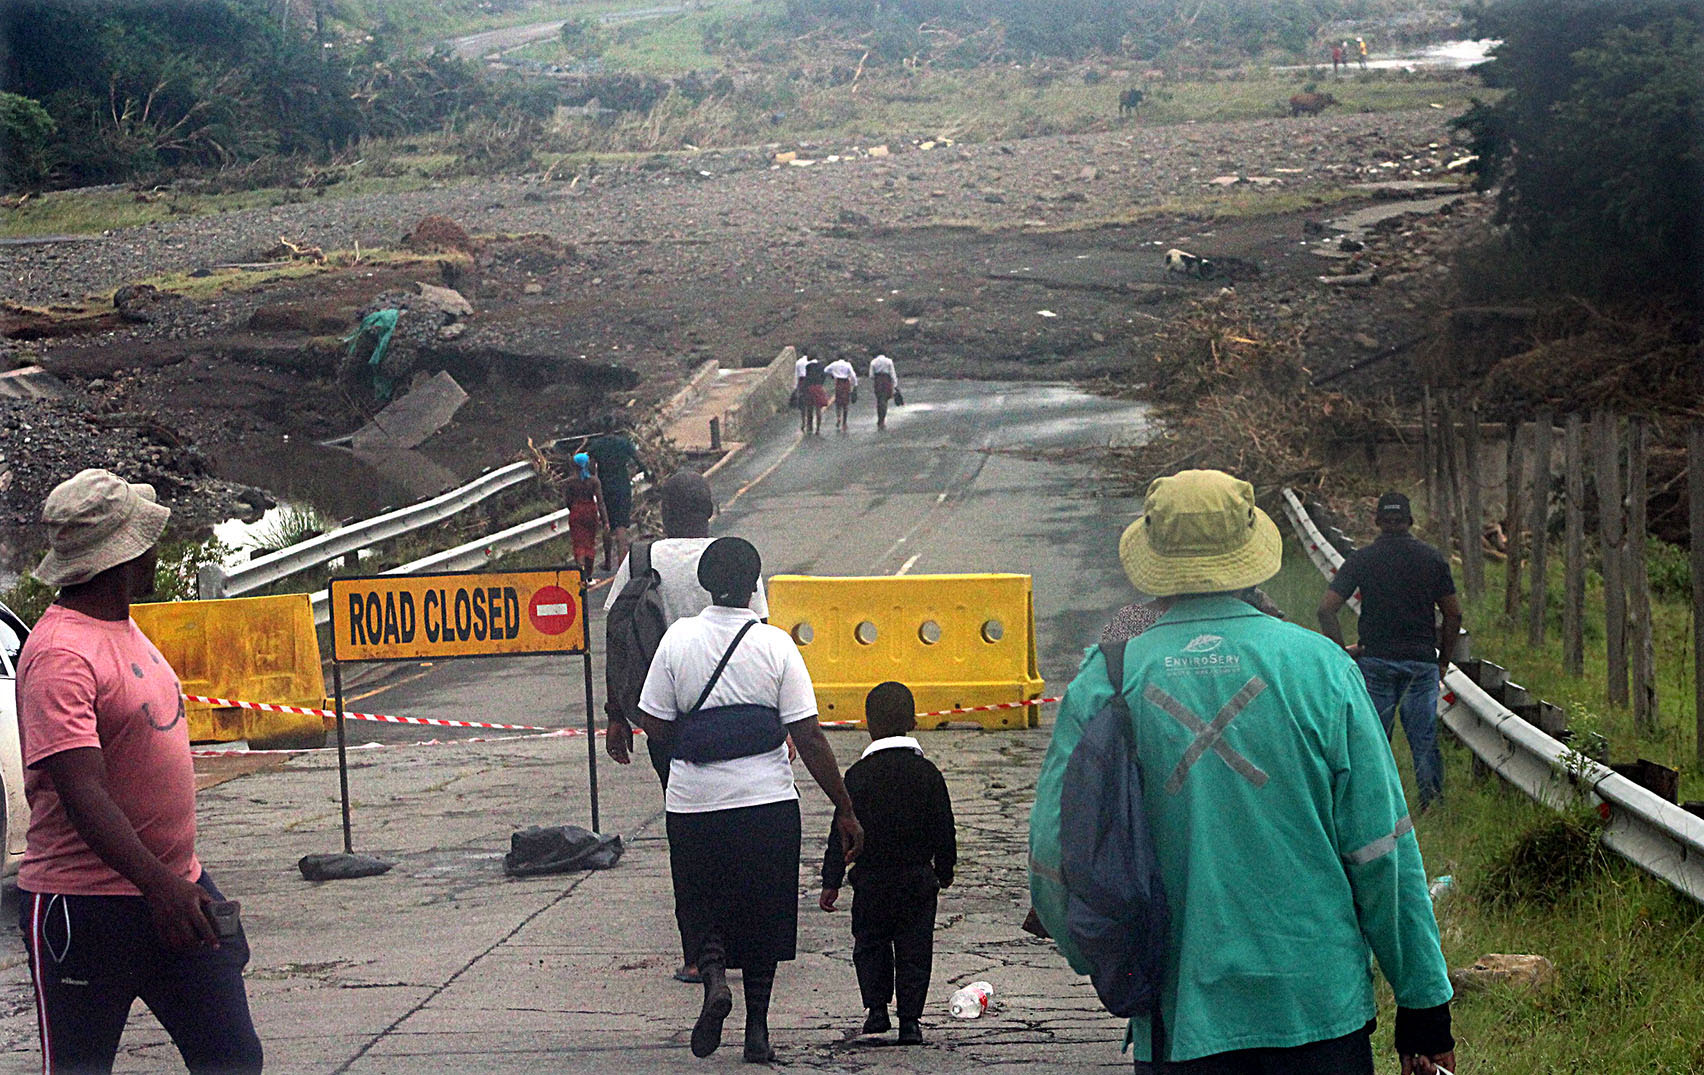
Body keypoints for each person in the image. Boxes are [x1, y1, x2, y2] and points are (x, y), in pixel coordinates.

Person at [1032, 469, 1455, 1075]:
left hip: (1180, 1016)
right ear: (1251, 551)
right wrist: (1423, 1005)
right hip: (1319, 1013)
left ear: (1152, 558)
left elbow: (1053, 854)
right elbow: (1381, 850)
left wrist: (1107, 960)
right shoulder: (1322, 665)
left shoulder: (1111, 671)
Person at [16, 469, 264, 1074]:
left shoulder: (121, 627)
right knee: (80, 1067)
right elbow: (81, 790)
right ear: (123, 557)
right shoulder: (60, 654)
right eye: (145, 538)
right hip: (86, 908)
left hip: (173, 889)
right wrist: (162, 887)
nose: (156, 549)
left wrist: (187, 885)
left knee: (232, 1058)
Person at [635, 538, 864, 1063]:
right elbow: (808, 736)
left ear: (705, 583)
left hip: (694, 804)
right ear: (754, 586)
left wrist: (695, 740)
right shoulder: (776, 645)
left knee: (700, 899)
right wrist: (844, 807)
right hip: (766, 803)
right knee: (764, 910)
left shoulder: (679, 639)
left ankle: (714, 977)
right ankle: (757, 1029)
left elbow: (653, 722)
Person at [602, 471, 770, 985]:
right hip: (735, 716)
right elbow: (759, 635)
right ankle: (744, 944)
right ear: (712, 509)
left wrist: (615, 715)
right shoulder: (735, 559)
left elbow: (617, 637)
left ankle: (699, 954)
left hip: (665, 719)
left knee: (689, 837)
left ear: (665, 514)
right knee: (740, 831)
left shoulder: (640, 559)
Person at [819, 682, 954, 1047]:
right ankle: (910, 1021)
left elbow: (840, 832)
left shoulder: (857, 777)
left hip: (871, 881)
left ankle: (876, 1010)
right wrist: (944, 870)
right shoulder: (928, 775)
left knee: (871, 943)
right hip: (916, 880)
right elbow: (944, 827)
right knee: (914, 949)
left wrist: (831, 880)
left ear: (867, 723)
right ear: (912, 721)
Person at [1317, 491, 1463, 811]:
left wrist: (1342, 652)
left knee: (1373, 743)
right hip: (1421, 664)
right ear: (1411, 521)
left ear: (1378, 521)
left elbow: (1326, 610)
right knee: (1423, 741)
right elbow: (1453, 615)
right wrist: (1443, 663)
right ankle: (1431, 807)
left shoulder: (1362, 559)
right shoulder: (1432, 559)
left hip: (1376, 662)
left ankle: (1373, 807)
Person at [584, 416, 643, 571]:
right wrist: (646, 472)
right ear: (615, 426)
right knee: (621, 525)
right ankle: (622, 561)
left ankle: (608, 561)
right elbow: (638, 460)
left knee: (607, 524)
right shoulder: (624, 443)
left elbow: (590, 469)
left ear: (602, 429)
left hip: (605, 488)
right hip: (622, 486)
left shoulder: (596, 446)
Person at [562, 451, 607, 577]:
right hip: (590, 511)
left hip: (576, 511)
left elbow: (567, 501)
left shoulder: (569, 482)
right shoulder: (594, 481)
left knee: (578, 543)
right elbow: (601, 502)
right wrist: (605, 520)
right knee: (590, 543)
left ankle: (580, 573)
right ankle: (588, 575)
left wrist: (574, 509)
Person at [824, 356, 858, 432]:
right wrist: (855, 385)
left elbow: (825, 370)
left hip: (838, 382)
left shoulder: (834, 364)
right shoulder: (847, 365)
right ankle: (844, 423)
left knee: (838, 402)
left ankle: (838, 417)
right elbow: (853, 375)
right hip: (846, 383)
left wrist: (832, 373)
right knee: (845, 404)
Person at [869, 354, 900, 430]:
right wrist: (895, 385)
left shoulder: (873, 362)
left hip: (878, 381)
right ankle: (882, 420)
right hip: (886, 381)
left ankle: (879, 419)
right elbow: (893, 374)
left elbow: (871, 376)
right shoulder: (889, 361)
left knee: (879, 400)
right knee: (885, 401)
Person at [802, 357, 830, 437]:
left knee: (809, 408)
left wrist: (804, 388)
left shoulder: (808, 366)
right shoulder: (821, 366)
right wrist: (820, 384)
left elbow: (806, 378)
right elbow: (824, 376)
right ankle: (818, 428)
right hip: (818, 387)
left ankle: (810, 427)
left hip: (810, 387)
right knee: (818, 409)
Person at [794, 351, 814, 434]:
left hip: (802, 382)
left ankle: (803, 421)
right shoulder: (811, 362)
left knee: (802, 403)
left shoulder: (798, 362)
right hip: (810, 381)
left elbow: (796, 375)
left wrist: (796, 387)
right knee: (810, 403)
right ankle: (810, 423)